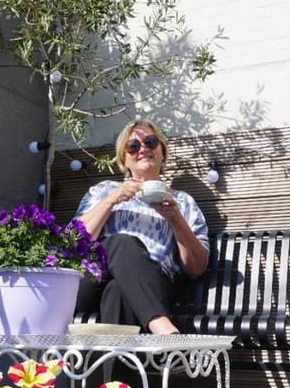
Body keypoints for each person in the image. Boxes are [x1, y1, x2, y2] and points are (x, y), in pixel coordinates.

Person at [74, 119, 209, 334]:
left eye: (150, 142)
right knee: (121, 241)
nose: (143, 149)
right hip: (92, 279)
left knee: (118, 291)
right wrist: (112, 200)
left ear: (162, 153)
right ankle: (161, 324)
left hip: (152, 286)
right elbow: (73, 242)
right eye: (133, 146)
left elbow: (196, 268)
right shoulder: (104, 191)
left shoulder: (182, 203)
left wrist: (176, 220)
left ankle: (116, 368)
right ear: (123, 159)